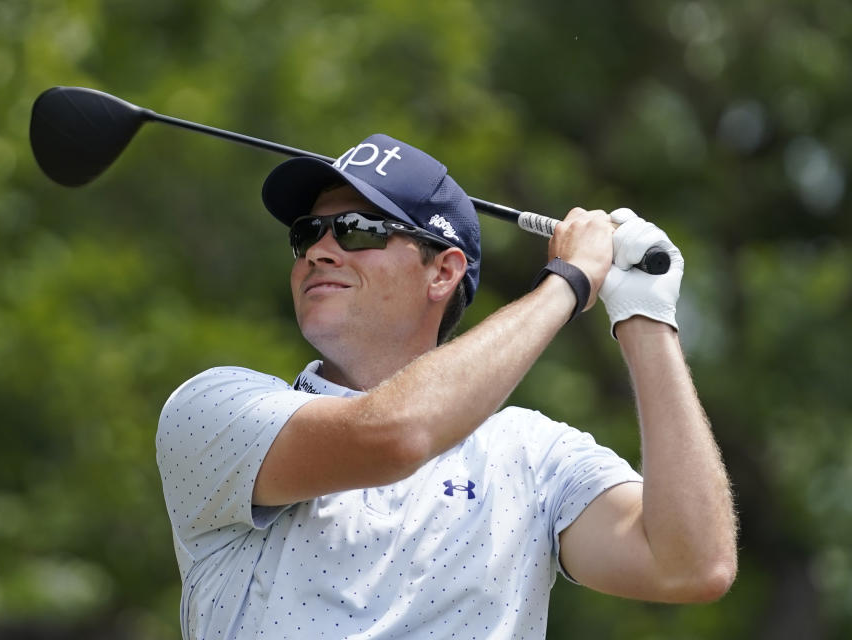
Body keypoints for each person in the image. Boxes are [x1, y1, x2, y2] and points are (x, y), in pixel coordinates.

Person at [156, 134, 738, 639]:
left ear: (443, 271)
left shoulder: (534, 456)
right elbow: (397, 435)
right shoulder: (217, 411)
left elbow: (690, 565)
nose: (320, 250)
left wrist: (645, 317)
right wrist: (568, 282)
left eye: (357, 230)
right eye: (308, 233)